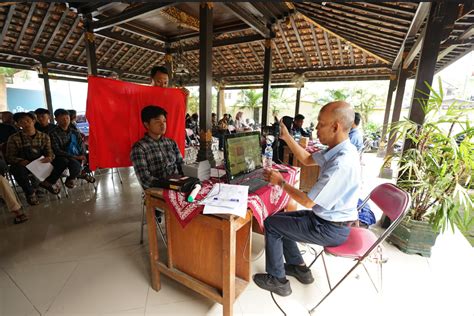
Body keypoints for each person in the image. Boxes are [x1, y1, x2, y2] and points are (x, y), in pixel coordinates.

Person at [253, 101, 360, 297]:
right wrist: (286, 137)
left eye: (320, 124)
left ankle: (278, 280)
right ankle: (299, 267)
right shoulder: (340, 148)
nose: (316, 128)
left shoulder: (341, 163)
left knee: (272, 224)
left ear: (335, 126)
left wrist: (281, 183)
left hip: (330, 228)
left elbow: (308, 202)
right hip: (327, 220)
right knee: (280, 219)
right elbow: (307, 159)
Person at [6, 112, 63, 205]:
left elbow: (50, 151)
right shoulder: (14, 138)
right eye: (21, 122)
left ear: (33, 120)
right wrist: (20, 161)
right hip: (24, 165)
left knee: (61, 162)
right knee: (15, 169)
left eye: (28, 120)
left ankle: (48, 183)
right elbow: (9, 156)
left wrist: (49, 157)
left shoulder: (44, 136)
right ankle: (30, 193)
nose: (25, 123)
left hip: (41, 163)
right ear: (18, 124)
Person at [130, 105, 183, 190]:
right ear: (147, 124)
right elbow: (145, 180)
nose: (162, 125)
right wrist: (170, 186)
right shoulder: (139, 148)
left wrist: (186, 181)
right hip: (157, 194)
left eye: (164, 121)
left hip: (179, 188)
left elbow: (181, 165)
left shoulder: (171, 143)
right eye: (157, 122)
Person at [49, 109, 93, 189]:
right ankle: (74, 177)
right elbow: (57, 150)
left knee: (93, 158)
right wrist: (76, 157)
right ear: (56, 120)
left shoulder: (74, 132)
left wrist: (83, 154)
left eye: (67, 118)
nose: (65, 120)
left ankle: (78, 174)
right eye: (62, 119)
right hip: (64, 156)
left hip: (77, 155)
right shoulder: (53, 134)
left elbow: (81, 144)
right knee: (73, 162)